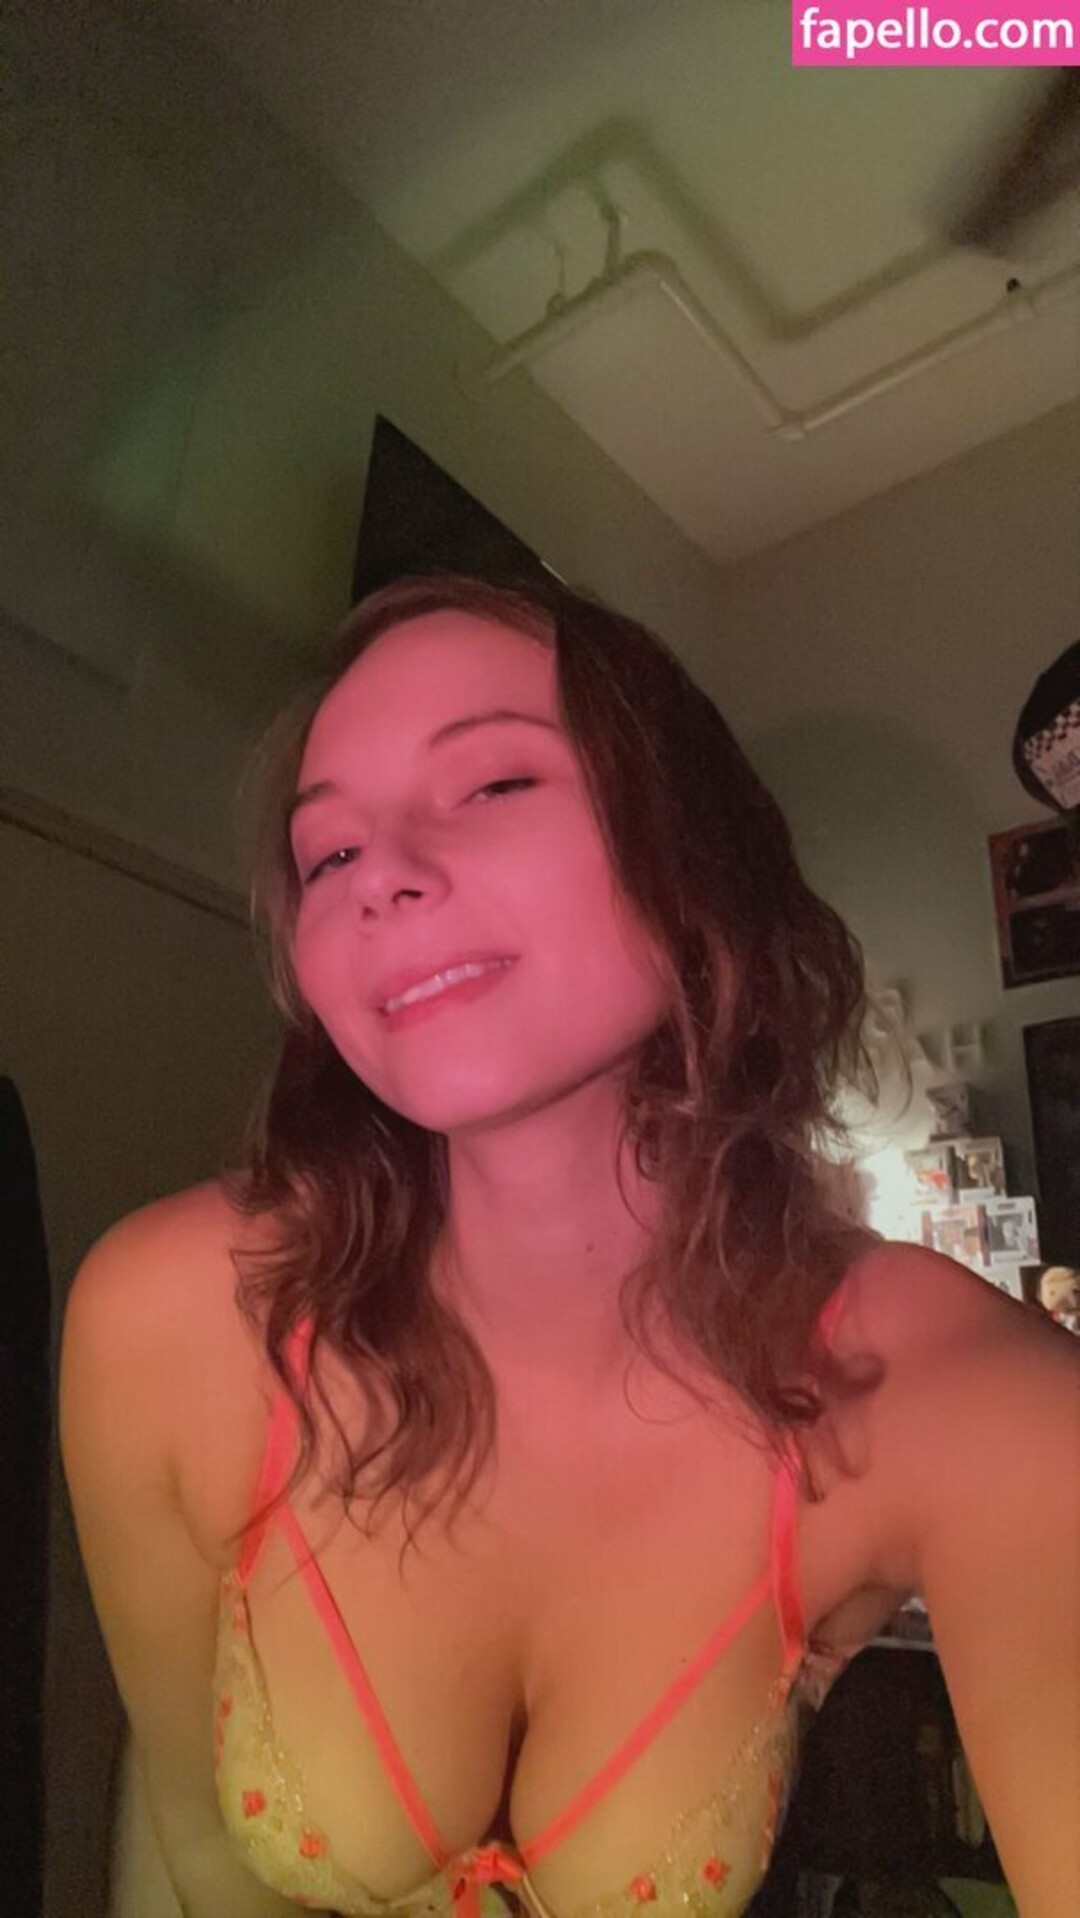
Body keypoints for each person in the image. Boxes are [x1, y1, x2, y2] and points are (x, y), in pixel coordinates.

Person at [60, 576, 1080, 1918]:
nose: (384, 875)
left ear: (692, 845)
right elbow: (189, 1852)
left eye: (493, 783)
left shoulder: (971, 1401)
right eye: (328, 854)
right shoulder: (164, 1318)